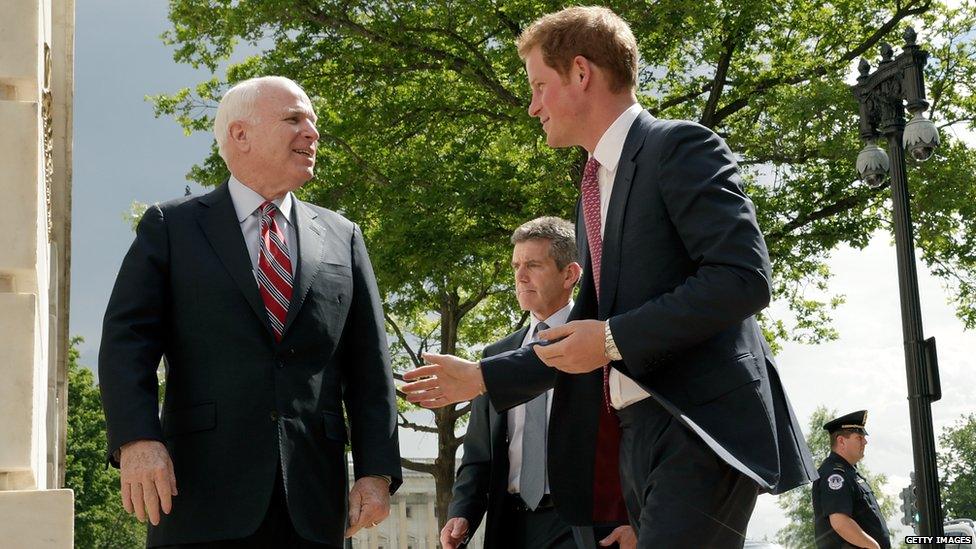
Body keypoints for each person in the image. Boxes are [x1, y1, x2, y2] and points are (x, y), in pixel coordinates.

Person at [403, 7, 816, 547]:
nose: (532, 107)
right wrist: (485, 377)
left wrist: (614, 337)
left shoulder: (681, 146)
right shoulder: (592, 188)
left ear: (581, 72)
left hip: (697, 428)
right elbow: (586, 336)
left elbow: (743, 277)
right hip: (633, 438)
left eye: (539, 87)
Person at [98, 76, 401, 548]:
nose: (312, 133)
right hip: (199, 494)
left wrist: (376, 471)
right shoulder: (172, 227)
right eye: (294, 119)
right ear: (240, 135)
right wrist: (137, 439)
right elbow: (126, 343)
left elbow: (370, 367)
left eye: (313, 122)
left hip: (312, 501)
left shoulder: (344, 236)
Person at [441, 217, 635, 549]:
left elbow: (634, 439)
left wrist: (637, 519)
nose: (520, 275)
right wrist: (462, 514)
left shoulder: (600, 343)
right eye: (516, 265)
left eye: (533, 264)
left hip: (590, 529)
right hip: (512, 526)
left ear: (569, 274)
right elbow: (478, 456)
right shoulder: (495, 356)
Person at [812, 411, 890, 549]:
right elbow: (840, 522)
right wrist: (873, 547)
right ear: (841, 441)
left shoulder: (850, 472)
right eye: (859, 438)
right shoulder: (835, 474)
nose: (865, 441)